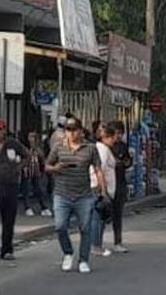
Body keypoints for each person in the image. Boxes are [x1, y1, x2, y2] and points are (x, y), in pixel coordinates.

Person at [46, 117, 108, 274]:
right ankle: (68, 252)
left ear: (81, 131)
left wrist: (103, 190)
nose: (71, 133)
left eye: (74, 130)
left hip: (83, 195)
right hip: (62, 194)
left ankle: (83, 260)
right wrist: (56, 168)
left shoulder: (90, 148)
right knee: (60, 226)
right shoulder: (59, 147)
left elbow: (98, 169)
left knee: (85, 228)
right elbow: (47, 166)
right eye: (68, 130)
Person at [0, 119, 28, 261]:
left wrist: (18, 168)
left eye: (1, 129)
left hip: (11, 185)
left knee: (9, 219)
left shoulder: (12, 143)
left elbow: (26, 156)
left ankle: (7, 250)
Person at [89, 124, 118, 258]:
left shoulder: (103, 149)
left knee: (100, 217)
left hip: (101, 188)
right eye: (113, 138)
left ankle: (97, 244)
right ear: (107, 137)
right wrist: (103, 190)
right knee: (98, 218)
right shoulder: (102, 150)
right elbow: (100, 170)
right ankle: (96, 245)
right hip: (100, 188)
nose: (115, 141)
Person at [109, 120, 131, 252]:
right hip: (107, 182)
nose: (118, 136)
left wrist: (126, 162)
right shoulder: (104, 146)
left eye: (120, 133)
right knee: (103, 214)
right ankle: (96, 243)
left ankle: (118, 241)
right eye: (116, 133)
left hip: (120, 181)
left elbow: (128, 161)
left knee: (118, 214)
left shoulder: (123, 146)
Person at [22, 132, 52, 217]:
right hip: (27, 172)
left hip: (36, 171)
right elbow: (23, 158)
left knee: (39, 190)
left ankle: (43, 207)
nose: (31, 139)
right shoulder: (24, 148)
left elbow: (42, 159)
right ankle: (27, 207)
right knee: (26, 190)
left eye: (33, 137)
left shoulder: (38, 149)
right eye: (30, 137)